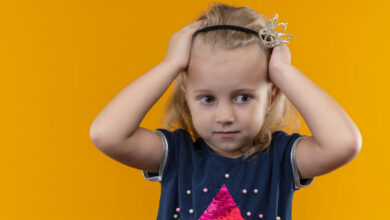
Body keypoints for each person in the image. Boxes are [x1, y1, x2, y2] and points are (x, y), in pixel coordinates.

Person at [89, 3, 362, 220]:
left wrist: (282, 71)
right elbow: (106, 134)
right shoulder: (177, 155)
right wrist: (170, 64)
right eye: (207, 98)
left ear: (272, 96)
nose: (225, 116)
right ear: (187, 97)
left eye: (243, 97)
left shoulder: (281, 159)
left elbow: (344, 143)